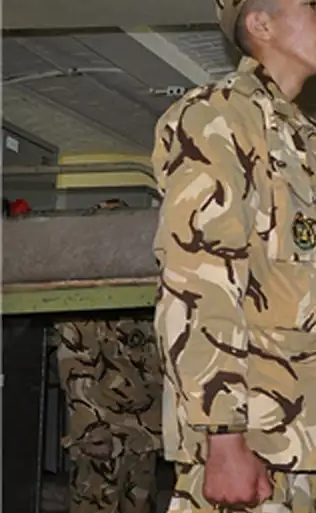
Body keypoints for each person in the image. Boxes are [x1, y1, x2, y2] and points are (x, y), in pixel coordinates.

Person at [150, 0, 316, 510]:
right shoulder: (216, 117)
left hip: (301, 424)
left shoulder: (304, 138)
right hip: (249, 426)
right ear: (261, 25)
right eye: (311, 3)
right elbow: (197, 275)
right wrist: (223, 435)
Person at [54, 202, 162, 513]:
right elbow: (75, 368)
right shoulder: (85, 290)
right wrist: (91, 432)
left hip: (142, 435)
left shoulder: (140, 288)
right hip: (104, 435)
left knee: (141, 503)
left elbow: (155, 364)